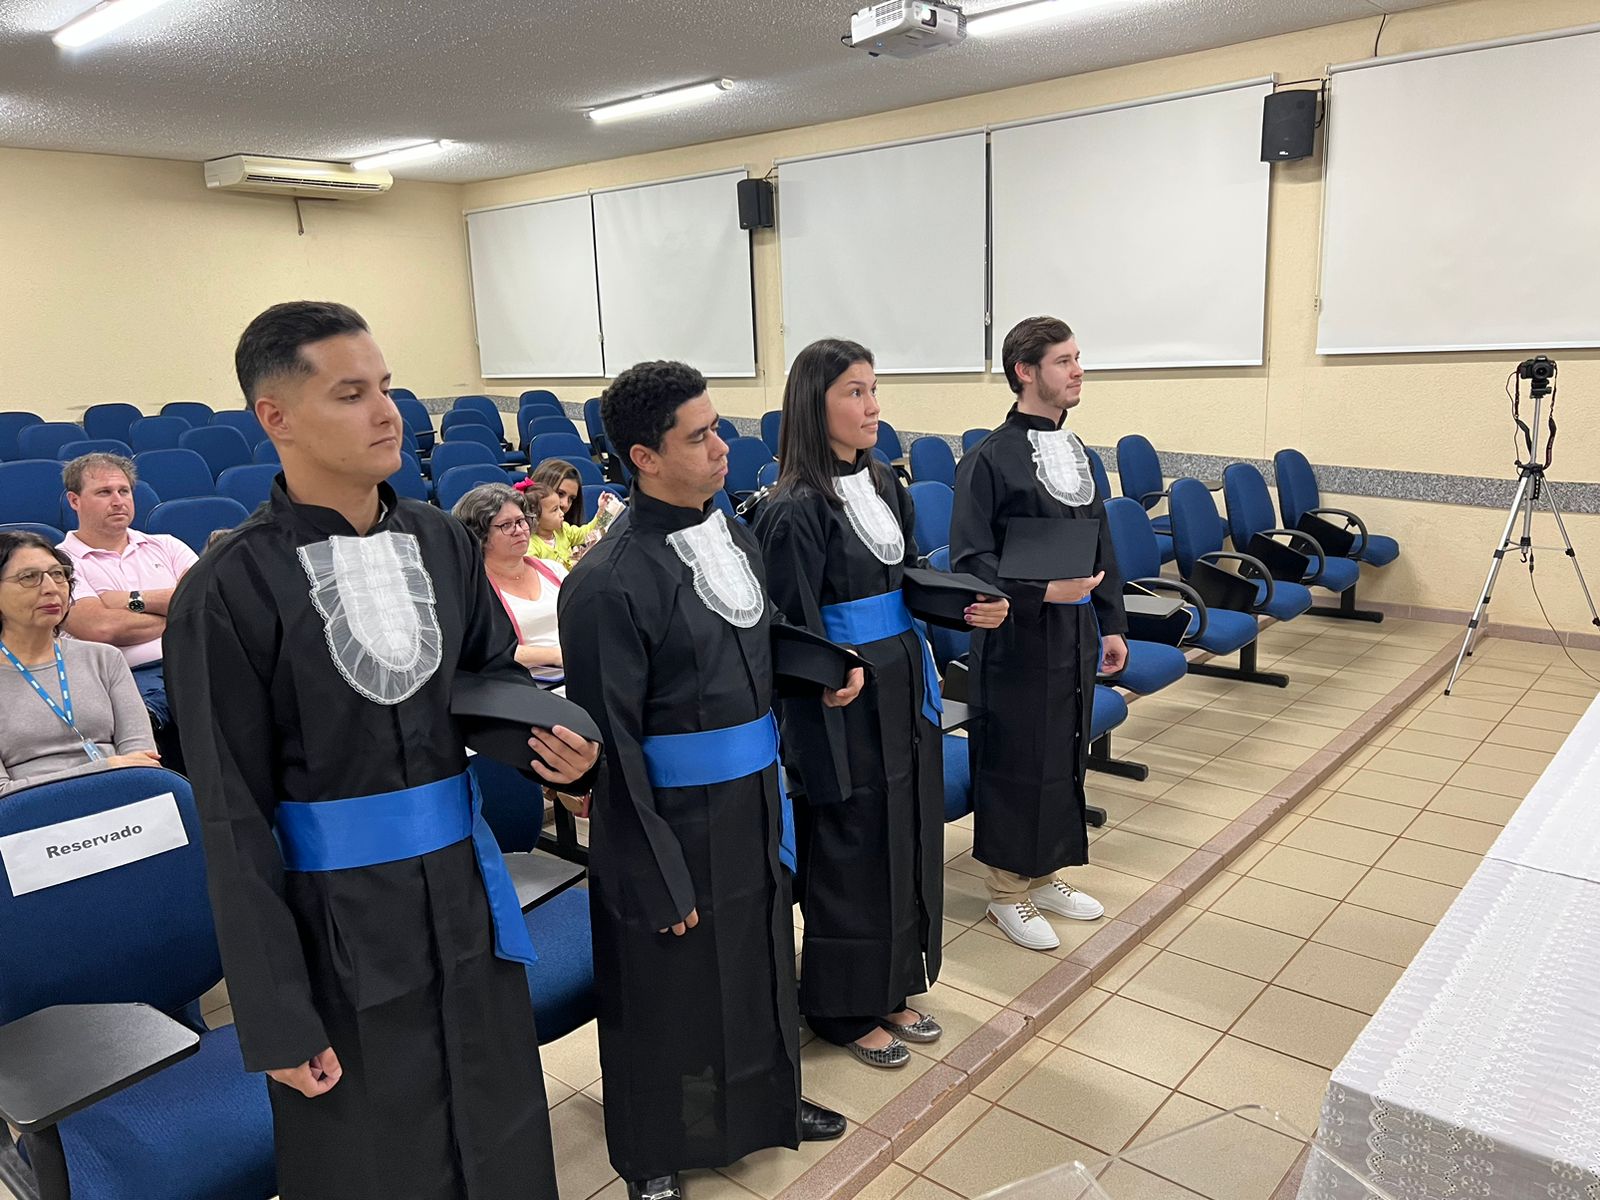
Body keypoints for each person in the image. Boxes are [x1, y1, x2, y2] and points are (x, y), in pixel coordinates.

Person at [165, 301, 601, 1200]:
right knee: (377, 1150)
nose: (386, 413)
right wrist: (278, 1013)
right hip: (337, 922)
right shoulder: (228, 587)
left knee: (499, 1114)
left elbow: (487, 685)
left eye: (389, 388)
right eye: (352, 393)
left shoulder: (440, 540)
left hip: (462, 887)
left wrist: (562, 756)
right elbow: (230, 811)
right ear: (276, 417)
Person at [560, 360, 853, 1200]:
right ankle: (656, 1148)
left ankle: (766, 1104)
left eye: (718, 427)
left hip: (754, 794)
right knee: (671, 988)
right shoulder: (608, 583)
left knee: (760, 956)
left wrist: (822, 668)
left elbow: (755, 645)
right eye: (701, 436)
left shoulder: (728, 531)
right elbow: (609, 745)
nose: (724, 447)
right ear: (644, 457)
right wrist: (649, 867)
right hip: (671, 819)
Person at [755, 339, 1009, 1067]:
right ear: (815, 404)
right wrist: (821, 715)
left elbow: (904, 584)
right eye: (855, 393)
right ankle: (840, 1007)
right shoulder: (793, 510)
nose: (873, 407)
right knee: (852, 844)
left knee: (905, 835)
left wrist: (967, 608)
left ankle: (895, 981)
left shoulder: (886, 484)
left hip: (903, 682)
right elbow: (791, 630)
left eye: (874, 390)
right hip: (841, 701)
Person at [949, 316, 1129, 952]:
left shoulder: (1076, 452)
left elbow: (1098, 542)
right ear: (1026, 372)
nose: (1078, 370)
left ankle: (1044, 871)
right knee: (1017, 758)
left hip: (1074, 633)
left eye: (1079, 357)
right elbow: (970, 560)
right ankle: (1005, 891)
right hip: (1015, 637)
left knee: (1064, 748)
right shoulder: (988, 460)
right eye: (1063, 361)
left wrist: (1110, 621)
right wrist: (1042, 594)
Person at [58, 452, 197, 760]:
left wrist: (127, 600)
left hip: (192, 662)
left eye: (124, 491)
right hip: (123, 677)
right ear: (74, 500)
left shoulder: (168, 545)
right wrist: (179, 613)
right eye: (104, 492)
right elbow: (100, 628)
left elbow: (205, 606)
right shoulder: (60, 562)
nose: (118, 500)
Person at [0, 531, 158, 797]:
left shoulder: (104, 658)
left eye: (58, 574)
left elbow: (143, 760)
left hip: (125, 804)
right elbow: (3, 793)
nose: (51, 588)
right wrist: (105, 767)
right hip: (31, 824)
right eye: (29, 577)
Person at [452, 481, 565, 675]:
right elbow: (488, 651)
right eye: (506, 525)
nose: (520, 530)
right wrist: (556, 656)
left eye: (521, 521)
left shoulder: (554, 570)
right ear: (480, 535)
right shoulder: (473, 589)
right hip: (523, 687)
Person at [520, 458, 622, 569]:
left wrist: (602, 513)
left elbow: (588, 532)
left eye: (571, 499)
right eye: (560, 493)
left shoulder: (563, 529)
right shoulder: (529, 545)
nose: (565, 504)